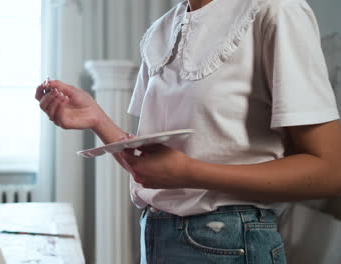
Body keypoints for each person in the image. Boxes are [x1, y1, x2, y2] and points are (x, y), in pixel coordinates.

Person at [35, 0, 341, 263]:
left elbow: (331, 172)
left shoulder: (276, 10)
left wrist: (189, 172)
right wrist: (97, 119)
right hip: (156, 233)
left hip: (232, 241)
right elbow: (154, 169)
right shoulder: (161, 31)